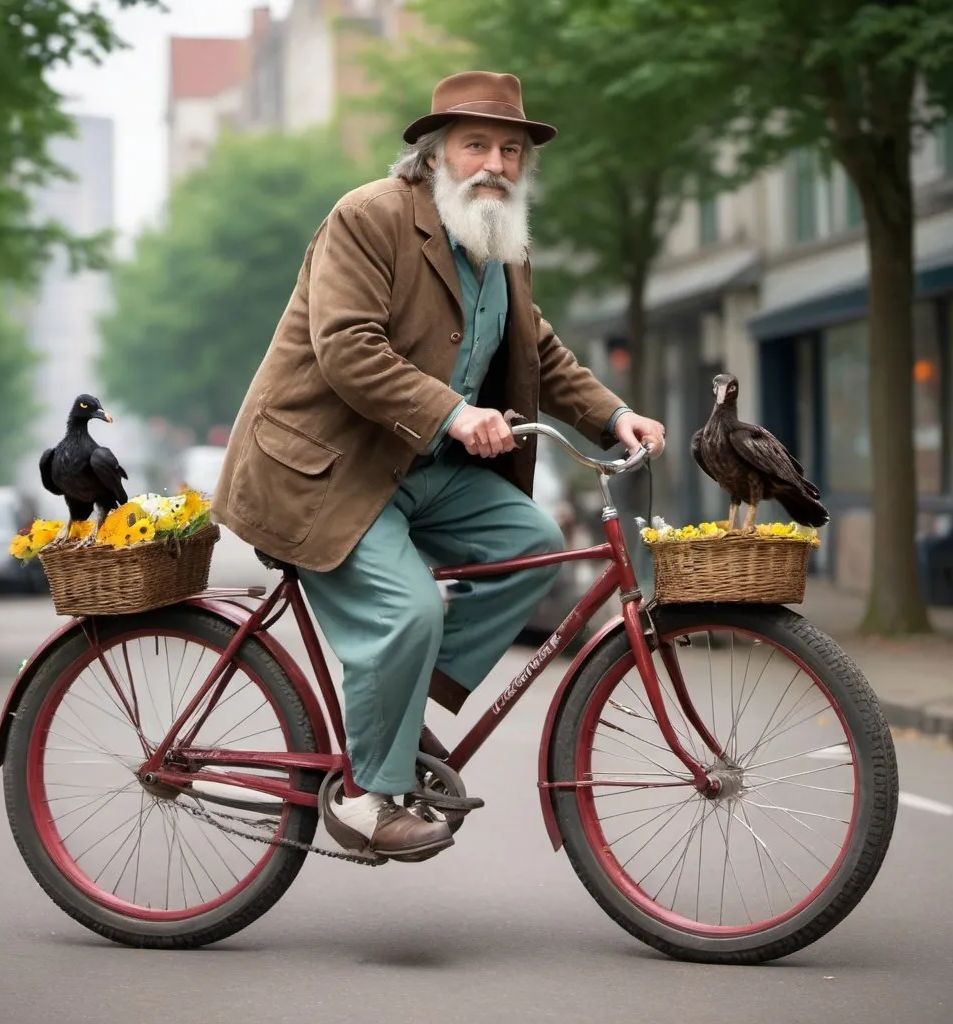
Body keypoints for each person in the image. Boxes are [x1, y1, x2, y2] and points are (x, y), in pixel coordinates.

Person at [211, 71, 666, 862]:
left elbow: (539, 350)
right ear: (433, 153)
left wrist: (614, 413)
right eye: (476, 145)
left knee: (534, 543)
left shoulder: (499, 240)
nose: (495, 162)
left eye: (511, 149)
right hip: (329, 471)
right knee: (410, 611)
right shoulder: (369, 217)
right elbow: (347, 346)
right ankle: (363, 798)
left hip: (418, 471)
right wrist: (456, 414)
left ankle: (404, 704)